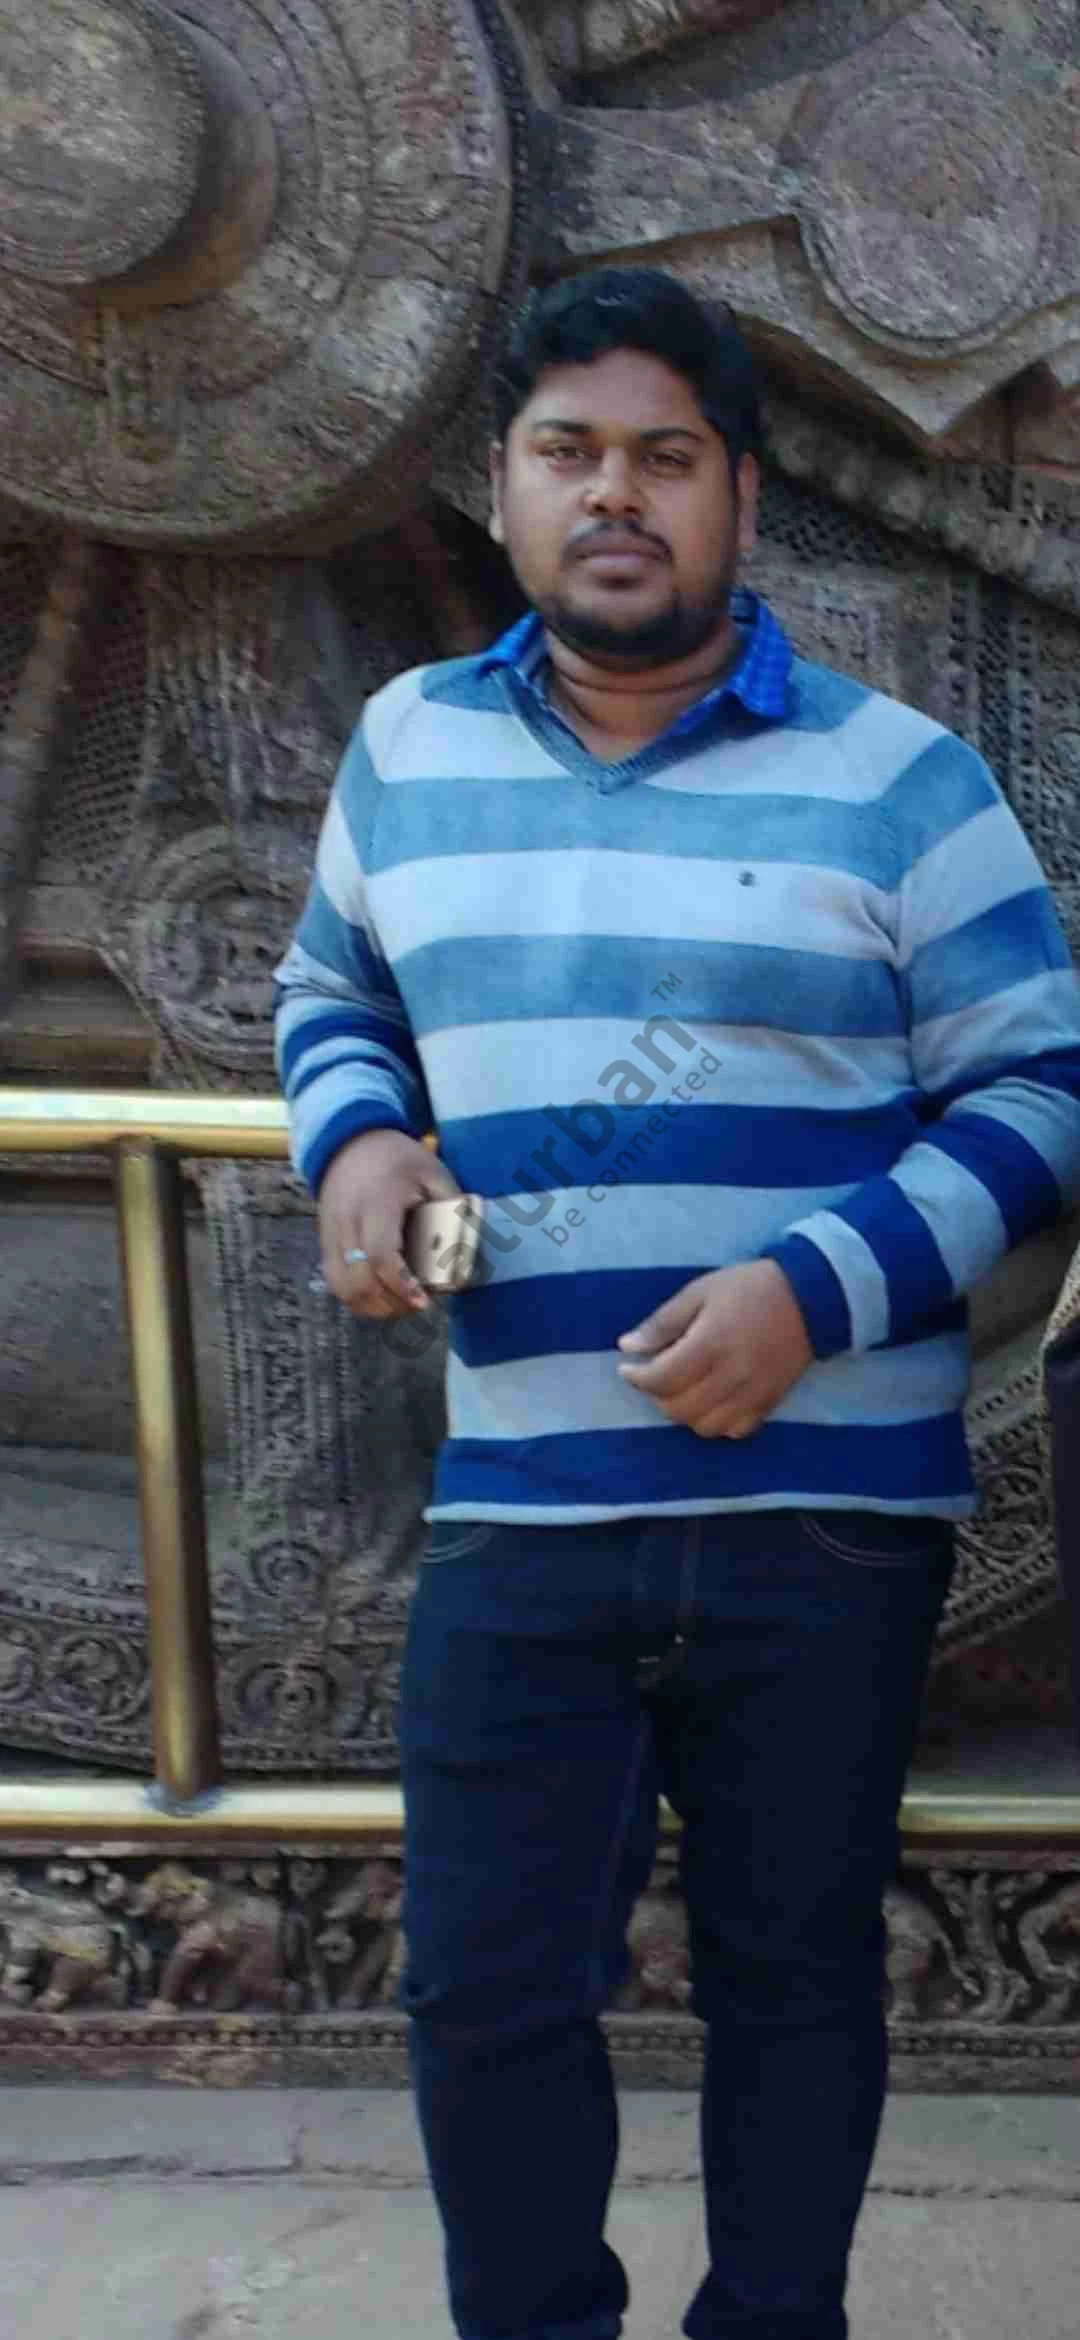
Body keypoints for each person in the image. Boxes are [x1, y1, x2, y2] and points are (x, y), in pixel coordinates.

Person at [273, 267, 1080, 2340]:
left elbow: (1041, 1089)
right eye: (569, 453)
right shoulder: (408, 749)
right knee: (484, 1986)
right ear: (504, 490)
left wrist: (814, 1294)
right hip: (522, 1500)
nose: (613, 495)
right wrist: (357, 1143)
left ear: (738, 497)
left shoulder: (901, 779)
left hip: (828, 1518)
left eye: (664, 456)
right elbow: (334, 991)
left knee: (794, 1976)